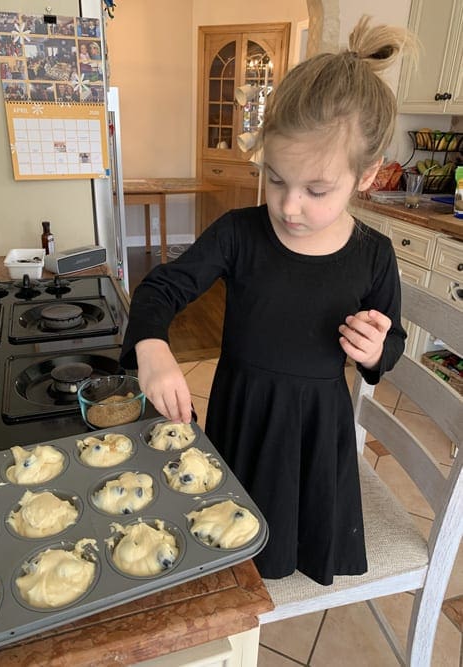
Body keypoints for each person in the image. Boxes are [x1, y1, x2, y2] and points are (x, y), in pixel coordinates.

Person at [120, 16, 414, 585]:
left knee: (287, 549)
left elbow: (392, 346)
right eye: (276, 180)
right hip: (242, 416)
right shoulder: (238, 233)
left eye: (316, 189)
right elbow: (162, 287)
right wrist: (152, 347)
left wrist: (376, 351)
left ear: (368, 175)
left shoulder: (374, 255)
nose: (290, 206)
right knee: (225, 545)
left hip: (315, 430)